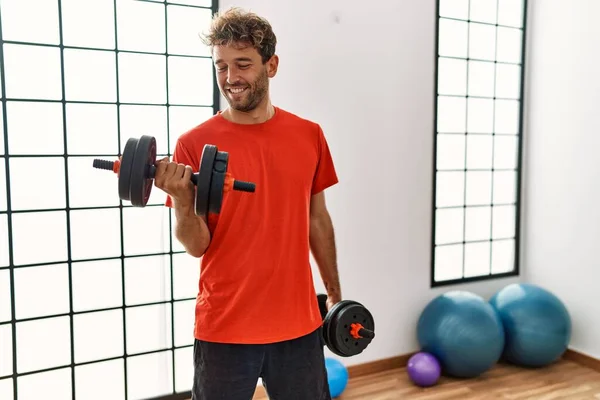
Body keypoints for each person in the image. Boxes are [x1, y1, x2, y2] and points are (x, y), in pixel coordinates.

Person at [156, 7, 341, 400]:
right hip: (225, 324)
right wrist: (181, 199)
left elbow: (317, 219)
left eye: (242, 64)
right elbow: (196, 245)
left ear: (271, 65)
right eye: (220, 66)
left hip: (299, 324)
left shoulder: (309, 136)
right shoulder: (194, 143)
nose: (230, 78)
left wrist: (335, 292)